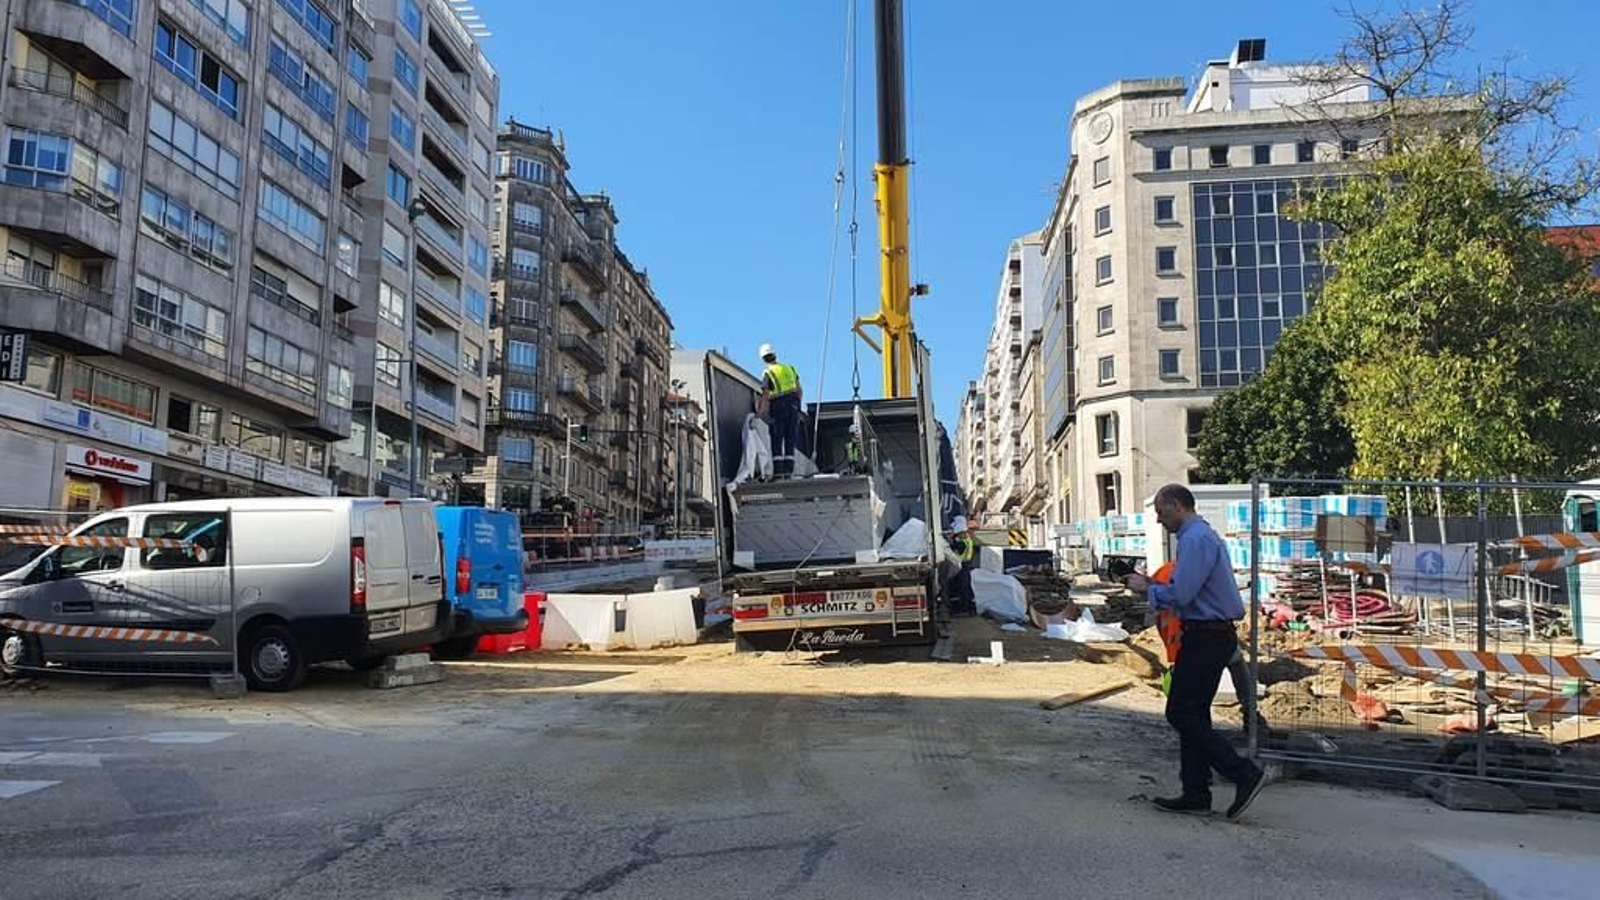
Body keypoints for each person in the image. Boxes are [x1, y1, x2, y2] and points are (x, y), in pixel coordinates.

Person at [1126, 484, 1266, 819]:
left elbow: (1184, 593)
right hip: (1206, 634)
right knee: (1195, 712)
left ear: (1177, 505)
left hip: (1208, 636)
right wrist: (1156, 587)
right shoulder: (1197, 537)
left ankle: (1242, 772)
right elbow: (1187, 590)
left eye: (1161, 511)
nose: (1159, 520)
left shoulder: (1195, 539)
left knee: (1181, 712)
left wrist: (1148, 588)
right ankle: (1195, 791)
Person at [757, 343, 802, 478]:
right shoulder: (790, 368)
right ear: (775, 355)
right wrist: (797, 406)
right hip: (793, 406)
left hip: (778, 407)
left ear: (763, 359)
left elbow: (765, 395)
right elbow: (799, 390)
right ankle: (788, 472)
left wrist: (760, 413)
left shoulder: (768, 373)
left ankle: (778, 473)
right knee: (790, 438)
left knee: (777, 438)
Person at [945, 516, 977, 617]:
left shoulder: (962, 542)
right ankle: (970, 608)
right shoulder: (968, 540)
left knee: (962, 588)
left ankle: (963, 609)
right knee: (967, 587)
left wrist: (950, 540)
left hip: (962, 566)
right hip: (966, 566)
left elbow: (954, 547)